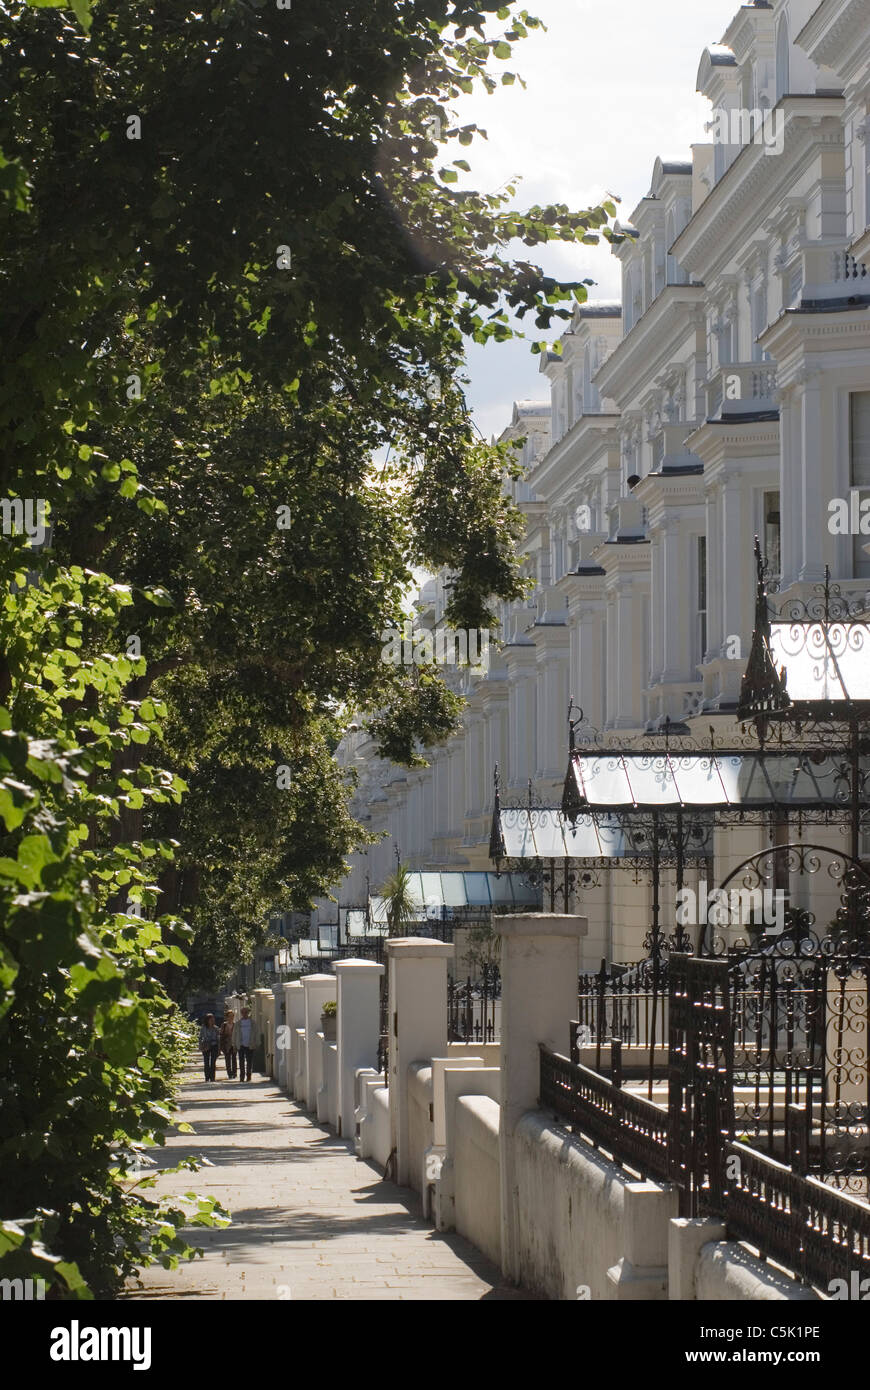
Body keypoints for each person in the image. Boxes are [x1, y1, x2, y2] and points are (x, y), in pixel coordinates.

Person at [235, 1006, 254, 1082]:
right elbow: (234, 1034)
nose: (244, 1014)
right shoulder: (238, 1023)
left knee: (249, 1061)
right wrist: (234, 1044)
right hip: (241, 1044)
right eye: (243, 1012)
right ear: (241, 1013)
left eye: (246, 1012)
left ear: (248, 1013)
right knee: (241, 1061)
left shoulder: (252, 1023)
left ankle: (249, 1075)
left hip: (250, 1044)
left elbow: (256, 1033)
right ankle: (242, 1076)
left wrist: (256, 1043)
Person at [198, 1013, 220, 1081]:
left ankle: (212, 1077)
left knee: (213, 1062)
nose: (212, 1021)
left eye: (213, 1019)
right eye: (211, 1019)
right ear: (207, 1020)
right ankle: (207, 1077)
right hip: (206, 1045)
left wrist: (219, 1049)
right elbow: (200, 1037)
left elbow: (218, 1039)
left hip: (214, 1045)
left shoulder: (216, 1028)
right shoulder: (203, 1028)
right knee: (206, 1062)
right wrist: (201, 1045)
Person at [220, 1009, 237, 1079]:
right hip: (226, 1044)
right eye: (229, 1016)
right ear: (227, 1017)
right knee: (227, 1059)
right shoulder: (224, 1025)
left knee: (234, 1058)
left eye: (232, 1016)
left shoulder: (235, 1024)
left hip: (234, 1044)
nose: (231, 1017)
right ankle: (229, 1073)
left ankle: (234, 1072)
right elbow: (221, 1035)